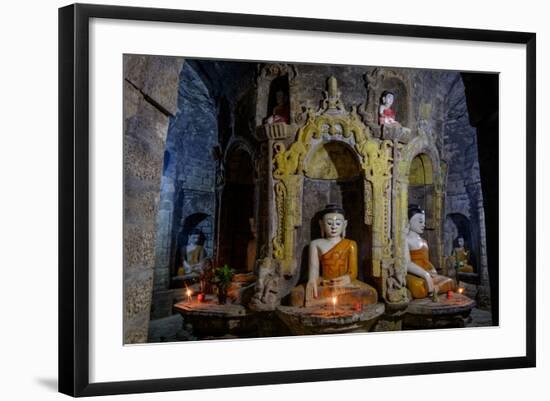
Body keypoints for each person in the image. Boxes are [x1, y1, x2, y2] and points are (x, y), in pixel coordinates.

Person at [290, 204, 377, 307]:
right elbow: (314, 271)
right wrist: (312, 281)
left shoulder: (350, 244)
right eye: (329, 223)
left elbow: (353, 272)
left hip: (345, 283)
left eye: (338, 223)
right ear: (321, 224)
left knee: (370, 294)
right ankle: (331, 299)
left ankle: (324, 301)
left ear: (344, 225)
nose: (334, 226)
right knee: (296, 296)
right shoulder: (316, 244)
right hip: (324, 282)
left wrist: (344, 280)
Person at [405, 205, 455, 299]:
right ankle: (432, 289)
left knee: (450, 282)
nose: (423, 225)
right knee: (419, 288)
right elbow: (407, 264)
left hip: (427, 273)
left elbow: (425, 261)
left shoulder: (423, 241)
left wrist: (431, 271)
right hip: (414, 274)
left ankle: (434, 289)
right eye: (420, 221)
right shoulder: (406, 240)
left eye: (423, 222)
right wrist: (425, 274)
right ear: (409, 222)